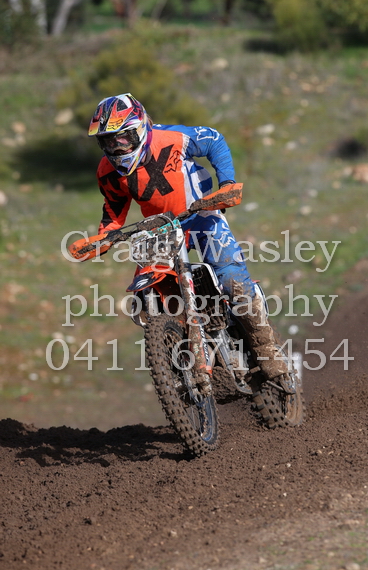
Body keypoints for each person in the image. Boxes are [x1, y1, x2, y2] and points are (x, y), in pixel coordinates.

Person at [88, 93, 291, 387]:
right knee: (146, 296)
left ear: (141, 128)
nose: (116, 147)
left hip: (201, 215)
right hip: (160, 230)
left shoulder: (173, 139)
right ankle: (181, 354)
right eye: (108, 142)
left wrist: (227, 183)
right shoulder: (107, 171)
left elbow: (214, 140)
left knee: (233, 281)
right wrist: (103, 237)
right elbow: (114, 206)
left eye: (123, 138)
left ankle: (268, 352)